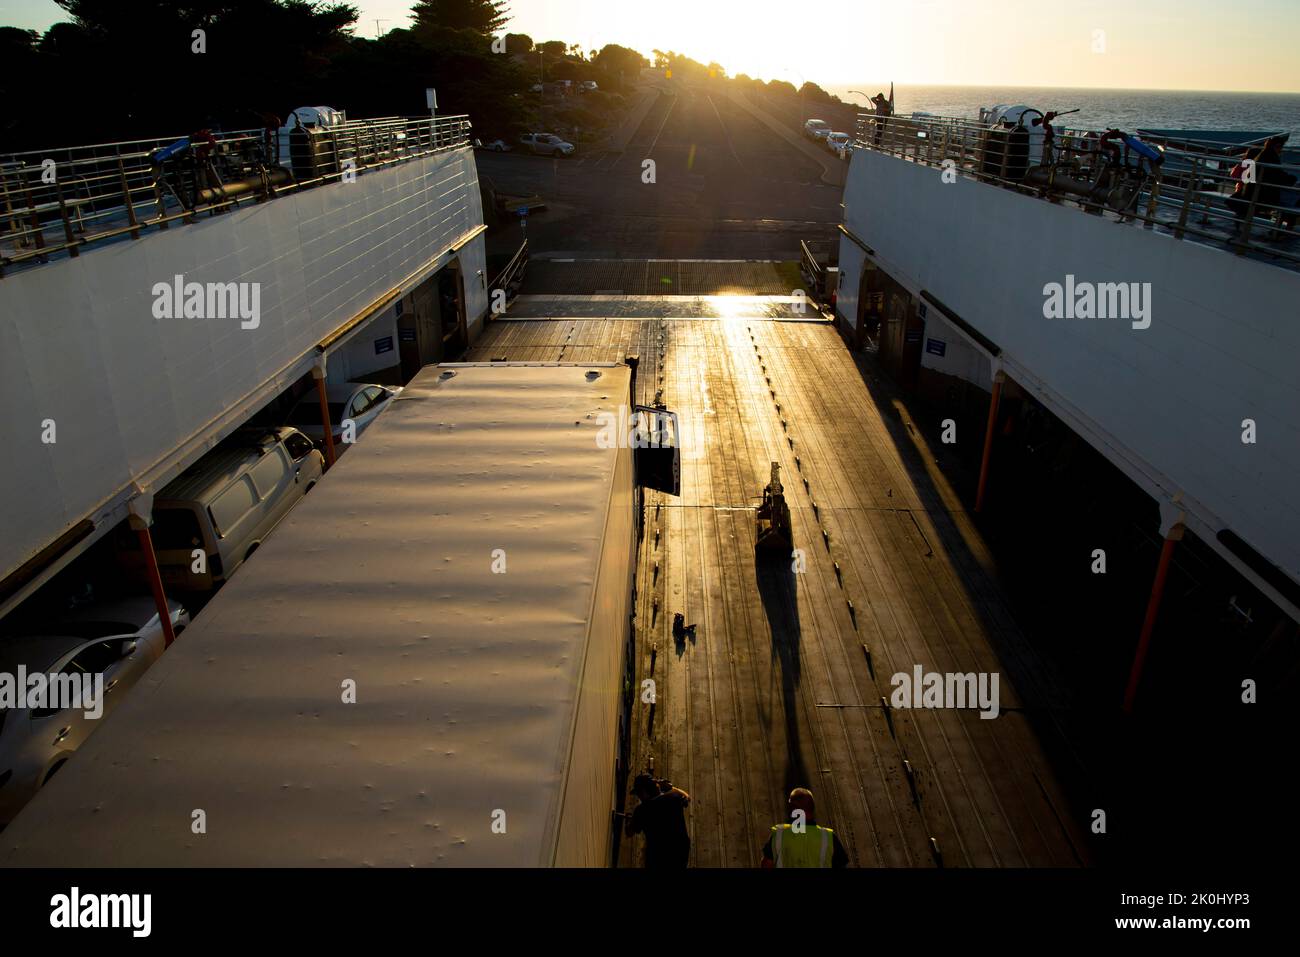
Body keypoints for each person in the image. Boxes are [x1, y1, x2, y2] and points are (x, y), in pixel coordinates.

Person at [761, 787, 849, 868]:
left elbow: (766, 865)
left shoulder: (778, 835)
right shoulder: (828, 837)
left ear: (792, 809)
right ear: (812, 808)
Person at [1227, 136, 1296, 229]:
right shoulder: (1271, 157)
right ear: (1277, 146)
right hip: (1262, 194)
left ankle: (1280, 228)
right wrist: (1292, 179)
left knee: (1290, 200)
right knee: (1292, 202)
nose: (1281, 150)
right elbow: (1276, 175)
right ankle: (1283, 229)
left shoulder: (1262, 155)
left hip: (1252, 191)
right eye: (1281, 147)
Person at [627, 774, 691, 868]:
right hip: (680, 858)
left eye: (639, 794)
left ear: (644, 792)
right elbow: (687, 797)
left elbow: (629, 832)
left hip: (657, 860)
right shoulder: (674, 796)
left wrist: (631, 820)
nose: (639, 797)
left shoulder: (642, 810)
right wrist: (670, 787)